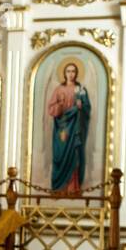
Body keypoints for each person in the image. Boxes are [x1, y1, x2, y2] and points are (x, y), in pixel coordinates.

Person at [47, 62, 90, 195]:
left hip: (75, 128)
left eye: (73, 71)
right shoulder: (59, 89)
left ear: (76, 73)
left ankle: (72, 188)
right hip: (62, 128)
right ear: (64, 73)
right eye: (68, 71)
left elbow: (87, 108)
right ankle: (59, 187)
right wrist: (60, 106)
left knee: (74, 155)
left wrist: (81, 106)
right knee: (60, 155)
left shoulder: (81, 89)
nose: (70, 74)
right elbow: (51, 109)